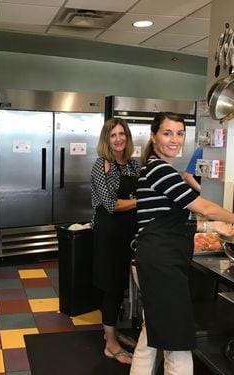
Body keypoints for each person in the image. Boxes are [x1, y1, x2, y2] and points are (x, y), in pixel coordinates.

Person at [130, 112, 234, 375]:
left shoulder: (155, 169)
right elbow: (204, 206)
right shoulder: (161, 171)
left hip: (153, 261)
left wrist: (213, 226)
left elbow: (166, 220)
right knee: (177, 346)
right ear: (154, 137)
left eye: (179, 133)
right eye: (167, 133)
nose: (174, 139)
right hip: (161, 266)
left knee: (150, 336)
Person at [91, 117, 139, 364]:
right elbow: (110, 205)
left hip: (127, 233)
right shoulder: (102, 165)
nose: (118, 139)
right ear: (106, 140)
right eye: (113, 135)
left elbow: (133, 197)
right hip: (108, 232)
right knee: (110, 286)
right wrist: (138, 202)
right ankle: (110, 344)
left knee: (120, 285)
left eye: (122, 134)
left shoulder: (132, 166)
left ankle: (114, 332)